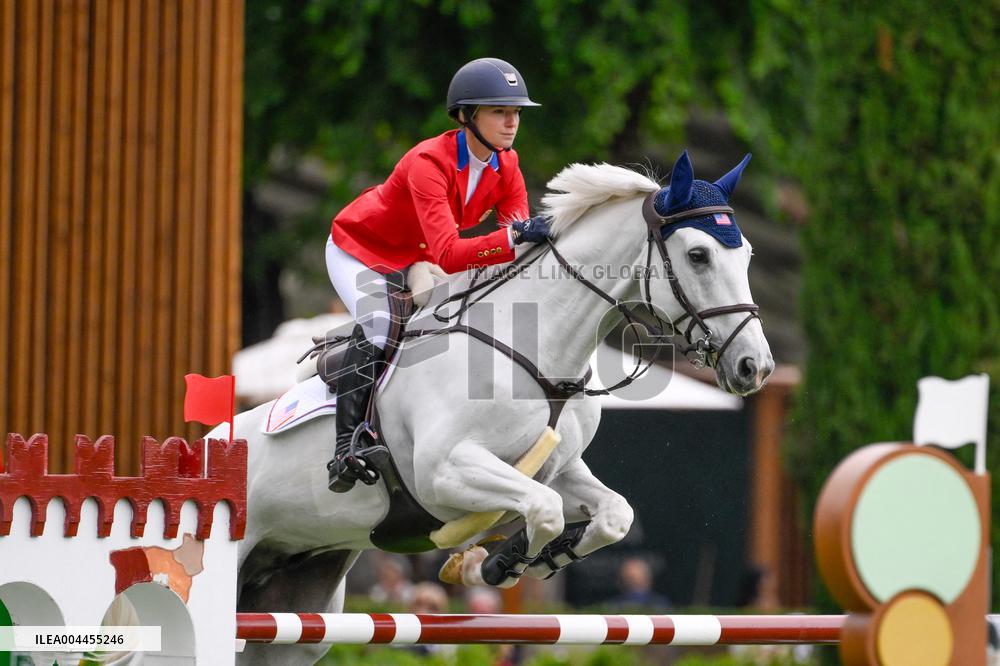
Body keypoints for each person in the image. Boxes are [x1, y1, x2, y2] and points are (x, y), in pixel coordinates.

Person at [325, 57, 552, 492]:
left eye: (516, 113)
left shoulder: (508, 164)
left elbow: (515, 243)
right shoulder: (428, 161)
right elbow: (451, 254)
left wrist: (533, 239)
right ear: (467, 116)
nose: (511, 123)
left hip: (415, 255)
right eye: (499, 112)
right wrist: (515, 237)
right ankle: (346, 448)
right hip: (360, 249)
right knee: (379, 325)